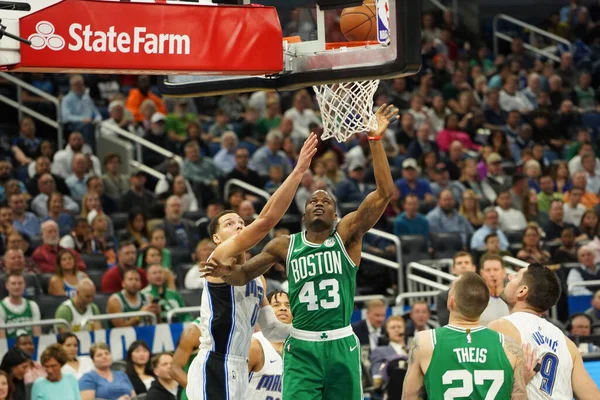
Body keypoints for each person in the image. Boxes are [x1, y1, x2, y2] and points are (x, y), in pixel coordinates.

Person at [201, 105, 401, 400]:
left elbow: (384, 193)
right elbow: (245, 273)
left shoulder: (347, 235)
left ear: (335, 216)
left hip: (340, 341)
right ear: (304, 213)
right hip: (302, 345)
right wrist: (225, 272)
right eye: (312, 201)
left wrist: (375, 141)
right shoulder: (284, 245)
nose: (318, 202)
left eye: (326, 201)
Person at [185, 132, 317, 400]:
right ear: (216, 238)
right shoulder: (219, 259)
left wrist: (318, 331)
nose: (239, 225)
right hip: (214, 362)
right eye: (230, 223)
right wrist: (299, 170)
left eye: (241, 223)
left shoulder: (259, 279)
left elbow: (272, 329)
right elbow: (267, 220)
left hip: (237, 366)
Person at [401, 272, 527, 399]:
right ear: (484, 306)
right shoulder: (510, 347)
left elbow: (409, 397)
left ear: (451, 302)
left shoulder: (424, 342)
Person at [489, 263, 600, 399]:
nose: (509, 276)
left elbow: (483, 386)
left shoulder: (500, 328)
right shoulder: (567, 344)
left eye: (516, 276)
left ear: (522, 291)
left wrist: (519, 381)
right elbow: (593, 396)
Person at [248, 290, 293, 400]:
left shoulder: (299, 348)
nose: (283, 308)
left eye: (288, 305)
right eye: (276, 305)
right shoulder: (255, 345)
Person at [436, 252, 476, 326]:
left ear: (474, 268)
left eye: (466, 263)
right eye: (459, 263)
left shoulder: (482, 294)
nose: (463, 266)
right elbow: (444, 323)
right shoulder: (443, 297)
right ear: (453, 269)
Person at [0, 272, 41, 339]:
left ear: (24, 285)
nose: (17, 287)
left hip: (29, 346)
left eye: (20, 283)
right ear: (7, 286)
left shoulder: (33, 305)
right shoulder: (1, 307)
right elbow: (1, 340)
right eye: (13, 283)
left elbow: (37, 335)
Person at [170, 317, 201, 400]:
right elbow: (175, 369)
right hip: (197, 393)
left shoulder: (237, 326)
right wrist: (198, 391)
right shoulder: (194, 331)